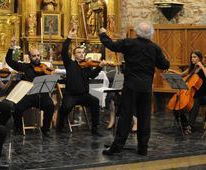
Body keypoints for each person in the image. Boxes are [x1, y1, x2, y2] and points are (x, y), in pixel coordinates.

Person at [99, 21, 170, 156]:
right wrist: (163, 60)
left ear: (137, 32)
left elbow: (111, 45)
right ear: (151, 34)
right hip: (146, 88)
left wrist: (103, 34)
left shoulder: (129, 43)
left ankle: (117, 147)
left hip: (131, 86)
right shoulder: (155, 48)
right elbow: (164, 65)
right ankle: (143, 148)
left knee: (126, 116)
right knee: (144, 117)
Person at [57, 27, 108, 136]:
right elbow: (63, 51)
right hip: (71, 95)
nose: (81, 54)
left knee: (95, 101)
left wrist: (100, 67)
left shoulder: (86, 65)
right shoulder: (70, 64)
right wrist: (69, 38)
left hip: (84, 95)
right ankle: (60, 126)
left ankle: (95, 128)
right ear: (74, 55)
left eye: (82, 52)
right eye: (78, 52)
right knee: (65, 108)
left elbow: (92, 76)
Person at [5, 37, 55, 137]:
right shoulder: (25, 67)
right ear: (29, 57)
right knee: (16, 108)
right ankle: (18, 128)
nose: (36, 58)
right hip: (28, 96)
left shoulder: (45, 68)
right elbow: (9, 61)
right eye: (34, 56)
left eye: (38, 55)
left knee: (50, 105)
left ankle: (46, 129)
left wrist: (53, 75)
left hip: (42, 95)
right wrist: (11, 48)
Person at [168, 50, 206, 135]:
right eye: (191, 57)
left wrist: (202, 67)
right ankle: (184, 123)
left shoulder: (204, 68)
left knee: (196, 101)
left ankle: (191, 126)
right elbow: (182, 74)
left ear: (199, 58)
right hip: (192, 93)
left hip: (202, 95)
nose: (192, 59)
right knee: (177, 103)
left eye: (194, 57)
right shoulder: (192, 68)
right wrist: (171, 71)